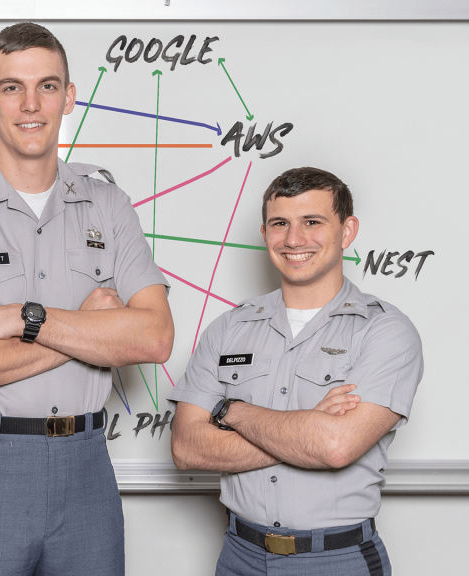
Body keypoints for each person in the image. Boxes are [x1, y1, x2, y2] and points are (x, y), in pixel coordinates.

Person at [0, 22, 174, 576]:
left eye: (47, 86)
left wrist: (20, 319)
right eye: (10, 87)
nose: (30, 104)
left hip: (87, 464)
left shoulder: (107, 203)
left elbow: (154, 336)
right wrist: (81, 334)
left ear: (69, 97)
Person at [168, 167, 424, 576]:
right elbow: (186, 449)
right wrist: (307, 432)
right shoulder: (229, 328)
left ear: (347, 230)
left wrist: (230, 412)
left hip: (335, 560)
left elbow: (336, 447)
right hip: (240, 556)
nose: (293, 239)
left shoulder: (385, 331)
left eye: (312, 222)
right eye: (280, 224)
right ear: (265, 232)